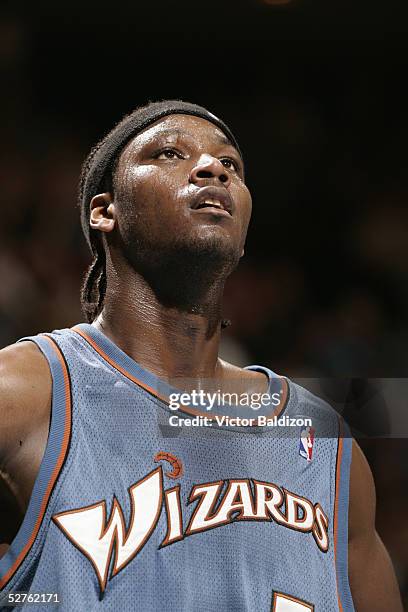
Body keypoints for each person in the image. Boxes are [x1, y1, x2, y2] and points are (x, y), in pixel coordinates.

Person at [0, 100, 402, 611]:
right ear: (105, 212)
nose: (212, 168)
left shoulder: (322, 438)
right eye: (170, 153)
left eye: (230, 164)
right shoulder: (29, 389)